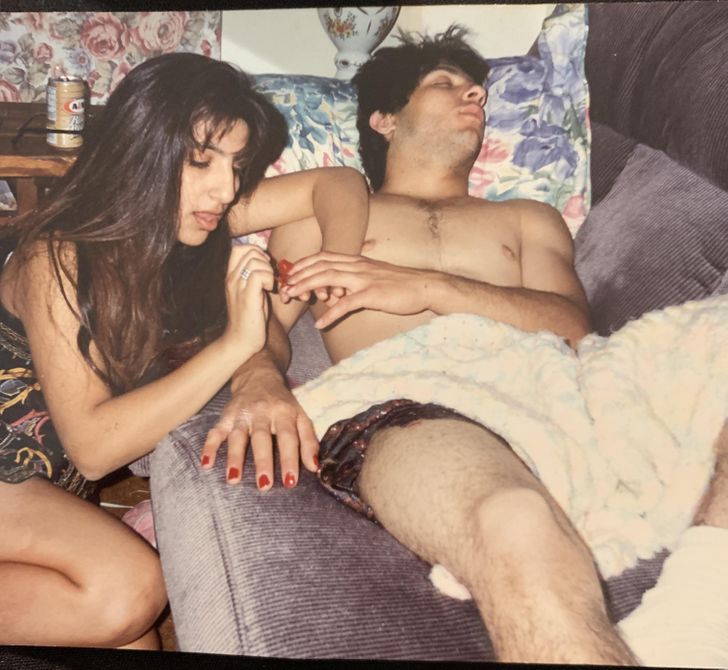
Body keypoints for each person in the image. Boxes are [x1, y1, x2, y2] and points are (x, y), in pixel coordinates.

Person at [203, 28, 728, 665]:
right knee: (515, 522)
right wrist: (258, 378)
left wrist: (425, 286)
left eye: (476, 87)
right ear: (385, 119)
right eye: (445, 83)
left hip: (561, 387)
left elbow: (572, 327)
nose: (475, 94)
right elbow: (266, 326)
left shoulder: (527, 218)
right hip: (409, 401)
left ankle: (698, 596)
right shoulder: (320, 218)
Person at [0, 52, 368, 650]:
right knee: (128, 589)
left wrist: (334, 277)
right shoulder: (58, 255)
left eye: (237, 164)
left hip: (39, 490)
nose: (227, 188)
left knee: (134, 638)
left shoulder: (191, 221)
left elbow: (338, 185)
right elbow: (93, 449)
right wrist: (238, 345)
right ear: (142, 151)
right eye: (201, 160)